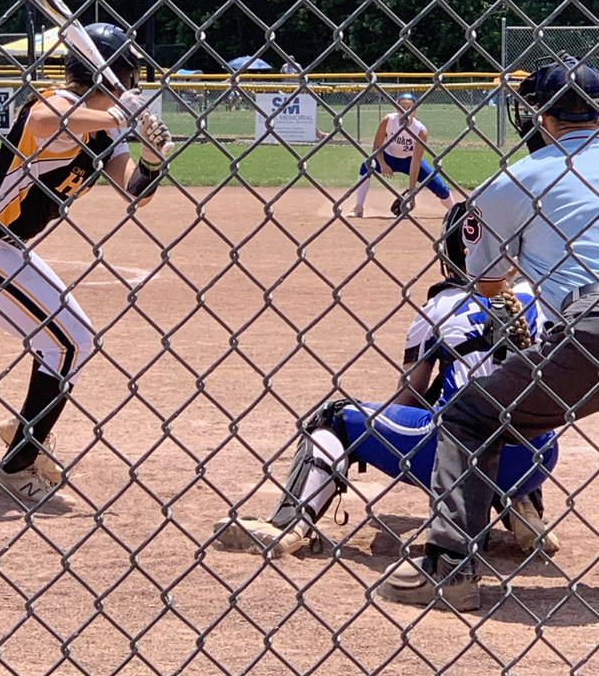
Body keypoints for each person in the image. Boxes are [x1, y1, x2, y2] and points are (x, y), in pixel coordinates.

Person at [212, 204, 559, 560]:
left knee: (336, 418)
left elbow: (410, 397)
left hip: (452, 454)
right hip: (536, 458)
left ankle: (288, 525)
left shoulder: (440, 307)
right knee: (520, 403)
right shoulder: (538, 298)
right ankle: (523, 508)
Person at [381, 56, 599, 612]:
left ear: (544, 119)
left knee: (472, 416)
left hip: (588, 334)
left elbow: (485, 279)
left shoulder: (516, 179)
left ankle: (449, 568)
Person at [0, 23, 171, 510]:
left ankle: (24, 432)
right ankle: (19, 464)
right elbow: (44, 120)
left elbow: (136, 192)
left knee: (76, 339)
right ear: (109, 74)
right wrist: (119, 110)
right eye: (129, 73)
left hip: (5, 248)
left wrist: (152, 156)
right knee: (67, 343)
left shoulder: (106, 129)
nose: (137, 81)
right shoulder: (56, 105)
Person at [352, 92, 455, 218]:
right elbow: (376, 147)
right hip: (388, 157)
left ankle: (456, 212)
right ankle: (358, 207)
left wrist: (412, 191)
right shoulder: (388, 120)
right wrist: (383, 164)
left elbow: (416, 161)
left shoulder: (420, 130)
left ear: (415, 110)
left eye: (409, 107)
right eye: (402, 107)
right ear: (396, 108)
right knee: (367, 165)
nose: (405, 111)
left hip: (409, 161)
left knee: (440, 187)